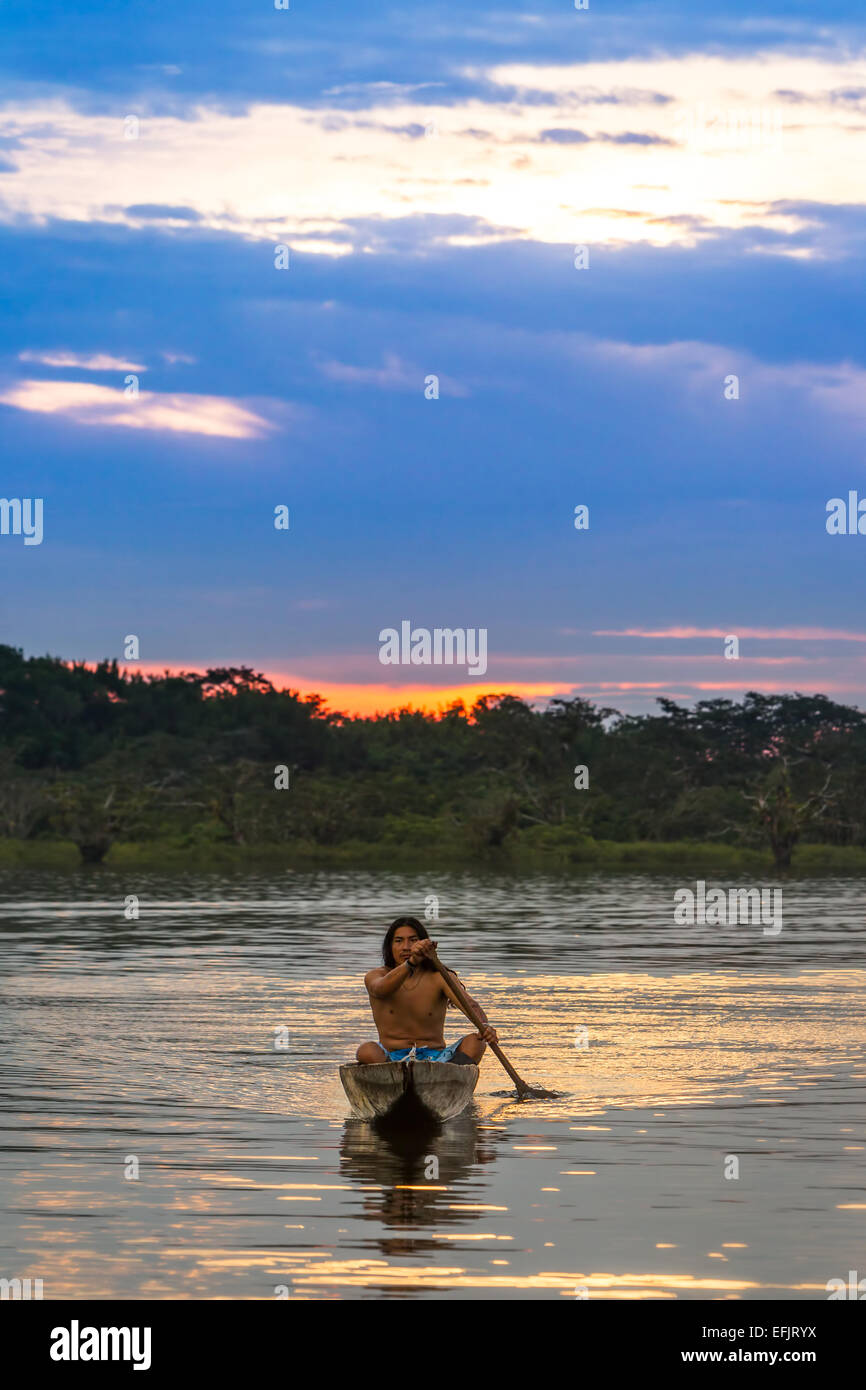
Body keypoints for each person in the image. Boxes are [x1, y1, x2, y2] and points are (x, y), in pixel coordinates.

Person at [355, 915, 498, 1066]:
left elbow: (471, 1005)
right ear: (389, 947)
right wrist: (411, 963)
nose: (406, 947)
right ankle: (395, 1078)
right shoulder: (376, 976)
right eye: (399, 941)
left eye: (413, 940)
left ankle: (445, 1077)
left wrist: (485, 1026)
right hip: (391, 1058)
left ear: (423, 945)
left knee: (476, 1042)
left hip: (437, 1058)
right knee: (366, 1051)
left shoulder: (440, 977)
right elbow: (380, 990)